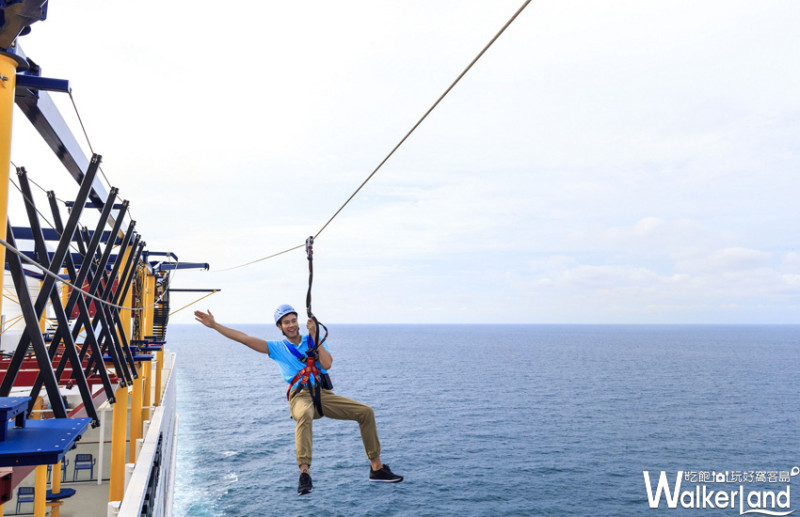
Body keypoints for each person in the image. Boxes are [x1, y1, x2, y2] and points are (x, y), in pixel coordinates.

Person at [194, 304, 402, 495]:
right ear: (280, 327)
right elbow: (244, 338)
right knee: (304, 415)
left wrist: (314, 334)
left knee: (365, 412)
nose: (291, 325)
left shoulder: (314, 340)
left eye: (293, 320)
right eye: (286, 322)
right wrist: (214, 325)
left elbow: (327, 364)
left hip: (322, 394)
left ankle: (376, 468)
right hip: (300, 395)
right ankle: (304, 473)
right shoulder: (277, 348)